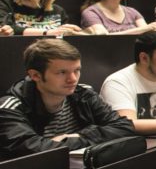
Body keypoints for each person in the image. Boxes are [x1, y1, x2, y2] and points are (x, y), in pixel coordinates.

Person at [0, 39, 136, 160]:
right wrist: (90, 138)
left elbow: (124, 127)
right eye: (62, 72)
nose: (73, 79)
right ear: (35, 75)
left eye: (77, 70)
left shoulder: (83, 94)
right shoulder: (10, 107)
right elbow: (32, 151)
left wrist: (79, 137)